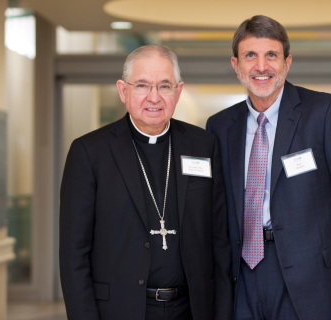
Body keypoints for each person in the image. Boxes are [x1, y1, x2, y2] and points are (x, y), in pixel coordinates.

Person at [206, 15, 331, 320]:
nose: (261, 66)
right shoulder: (219, 126)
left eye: (271, 55)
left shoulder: (325, 112)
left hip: (311, 278)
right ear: (236, 65)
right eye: (250, 56)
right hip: (241, 276)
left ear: (287, 63)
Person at [59, 45, 233, 320]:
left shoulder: (203, 145)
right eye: (142, 85)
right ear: (123, 90)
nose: (154, 97)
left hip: (192, 309)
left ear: (178, 91)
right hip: (119, 310)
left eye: (164, 86)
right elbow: (74, 254)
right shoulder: (90, 152)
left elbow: (220, 242)